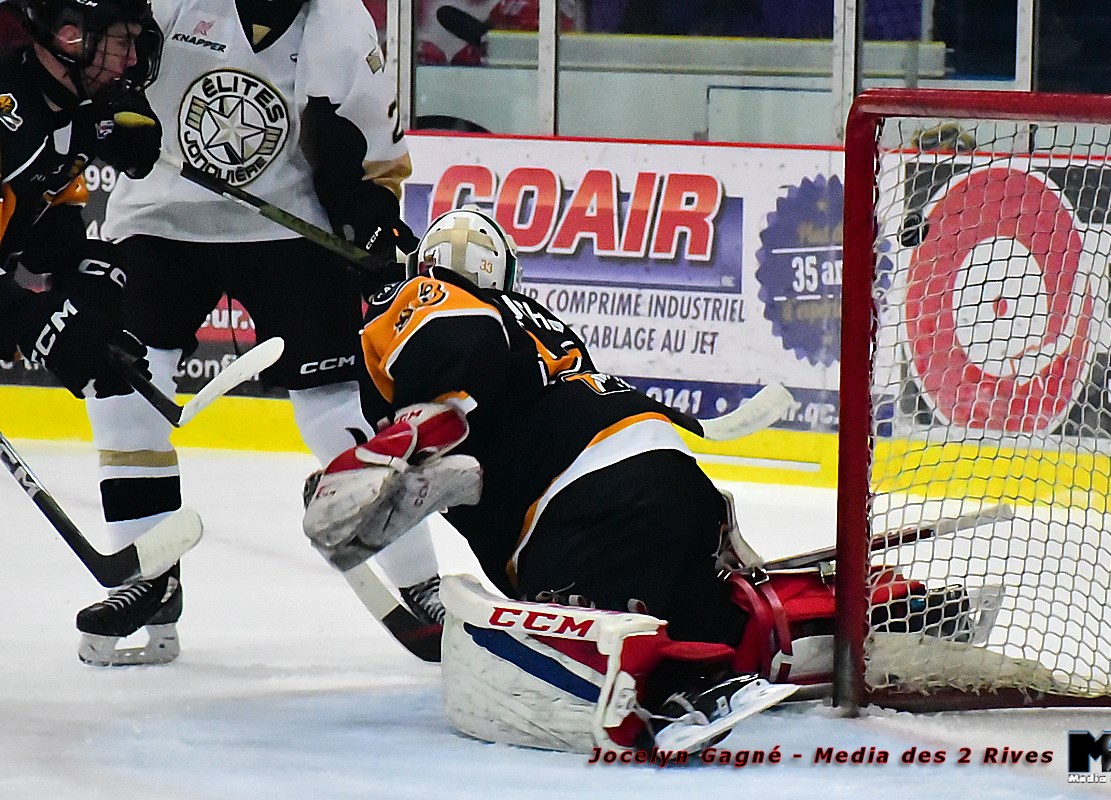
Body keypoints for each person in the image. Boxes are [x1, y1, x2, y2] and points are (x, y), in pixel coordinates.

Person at [301, 207, 798, 752]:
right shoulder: (535, 318)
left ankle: (666, 690)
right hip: (672, 476)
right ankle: (725, 654)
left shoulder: (425, 295)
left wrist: (411, 431)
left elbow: (459, 342)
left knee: (582, 636)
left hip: (585, 501)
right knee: (691, 612)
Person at [74, 0, 444, 667]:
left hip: (287, 227)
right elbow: (94, 58)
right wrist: (105, 117)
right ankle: (147, 576)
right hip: (159, 217)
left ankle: (422, 583)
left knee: (337, 410)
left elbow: (372, 155)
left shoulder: (339, 23)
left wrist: (371, 219)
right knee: (123, 386)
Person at [0, 0, 160, 401]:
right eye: (122, 41)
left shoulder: (74, 115)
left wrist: (82, 282)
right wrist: (28, 320)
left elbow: (40, 226)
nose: (132, 59)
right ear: (70, 37)